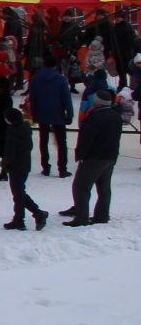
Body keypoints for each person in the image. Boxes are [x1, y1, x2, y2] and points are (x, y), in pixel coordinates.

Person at [60, 90, 120, 226]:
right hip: (110, 156)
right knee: (104, 188)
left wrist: (80, 154)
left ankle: (81, 218)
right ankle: (102, 215)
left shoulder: (93, 118)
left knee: (80, 186)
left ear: (97, 102)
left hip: (94, 157)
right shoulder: (116, 116)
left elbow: (86, 139)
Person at [0, 101, 47, 231]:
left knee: (18, 194)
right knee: (19, 193)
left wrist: (5, 163)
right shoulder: (24, 129)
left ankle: (22, 218)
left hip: (15, 166)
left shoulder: (13, 133)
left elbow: (10, 152)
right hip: (24, 165)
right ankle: (35, 214)